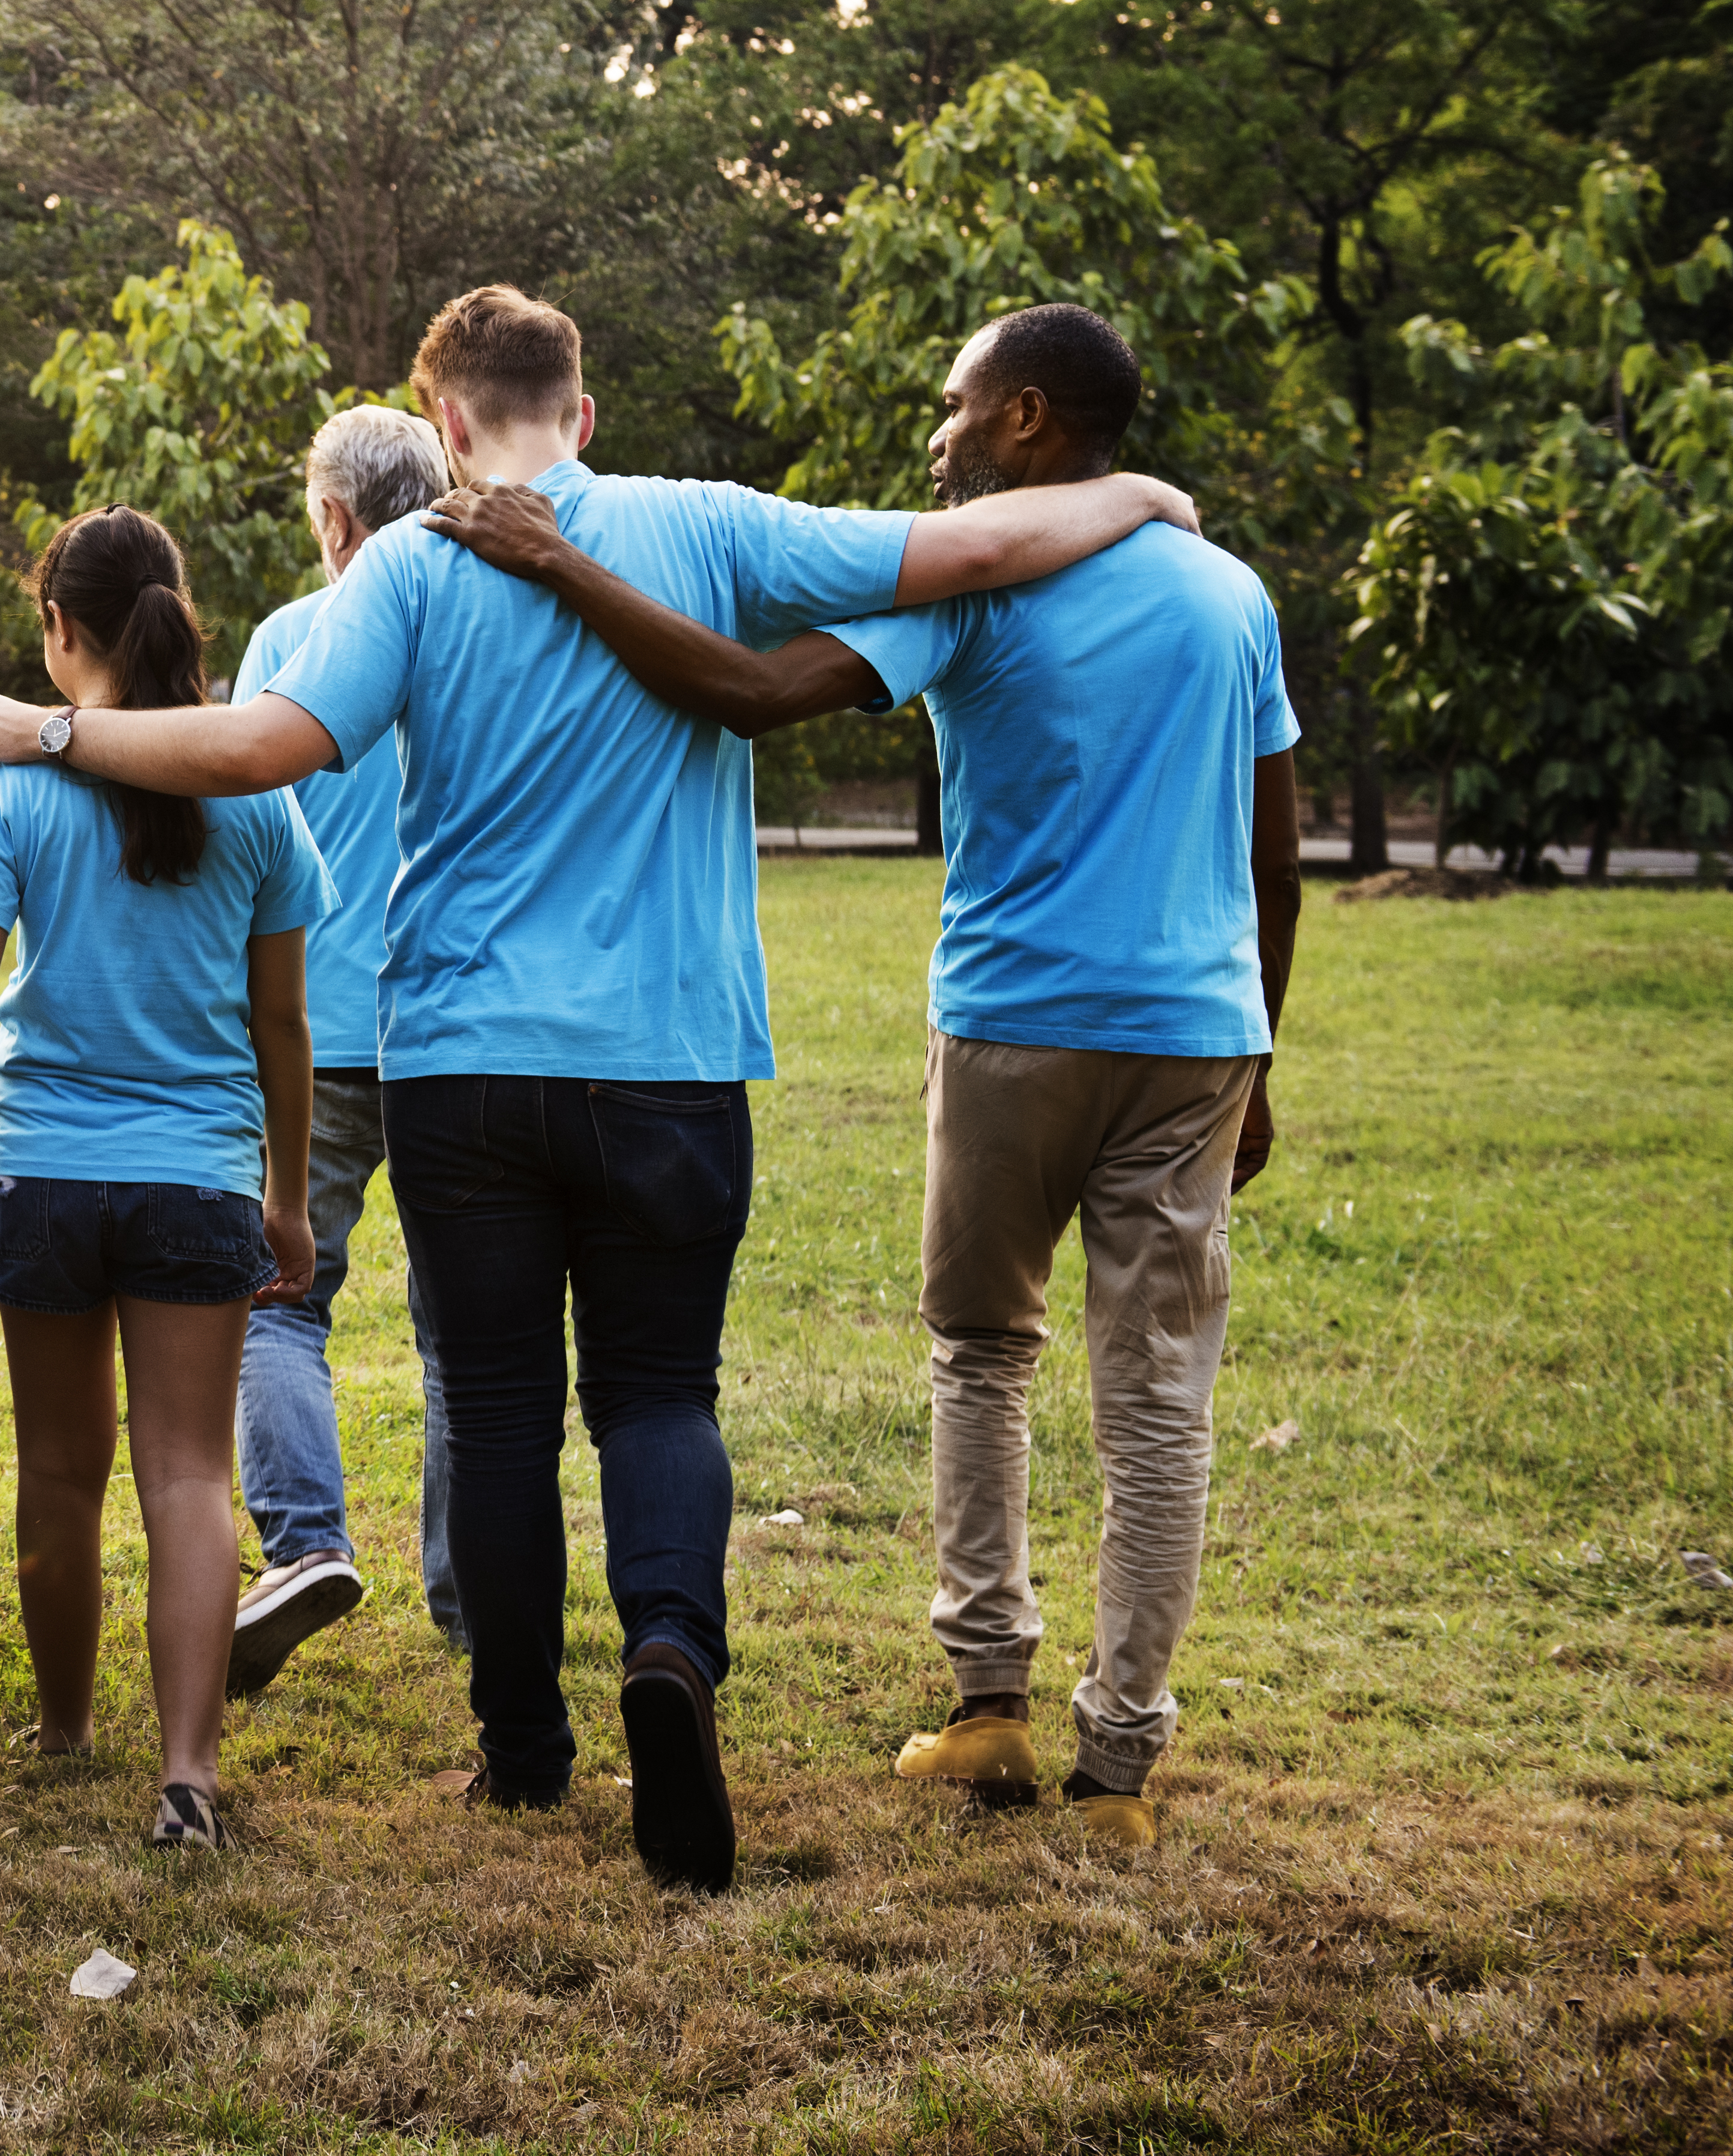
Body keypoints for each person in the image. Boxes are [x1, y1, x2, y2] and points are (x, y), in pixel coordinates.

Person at [0, 284, 1195, 1894]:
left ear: (449, 429)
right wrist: (1136, 494)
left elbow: (255, 750)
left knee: (498, 1411)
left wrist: (54, 729)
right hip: (672, 1058)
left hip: (467, 1066)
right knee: (662, 1396)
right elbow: (972, 549)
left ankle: (526, 1751)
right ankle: (672, 1654)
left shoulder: (405, 565)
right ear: (583, 415)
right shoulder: (714, 525)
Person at [420, 303, 1300, 1851]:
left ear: (1027, 417)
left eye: (958, 403)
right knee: (1157, 1398)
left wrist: (559, 561)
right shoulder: (1229, 595)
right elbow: (1274, 848)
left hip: (1015, 1022)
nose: (940, 429)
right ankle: (1118, 1767)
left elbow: (753, 695)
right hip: (1197, 1033)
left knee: (982, 1349)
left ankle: (987, 1707)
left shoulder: (979, 589)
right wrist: (1261, 1051)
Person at [0, 510, 328, 1850]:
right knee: (188, 1476)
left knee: (59, 1468)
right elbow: (283, 1025)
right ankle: (186, 1777)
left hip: (43, 1170)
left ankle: (59, 1726)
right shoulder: (254, 794)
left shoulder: (12, 785)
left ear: (59, 632)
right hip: (197, 1182)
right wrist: (286, 1196)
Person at [223, 402, 463, 1694]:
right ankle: (470, 1598)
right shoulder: (484, 625)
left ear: (331, 518)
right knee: (461, 1326)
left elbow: (245, 836)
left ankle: (306, 1543)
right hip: (447, 1027)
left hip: (309, 1029)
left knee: (278, 1300)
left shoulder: (288, 638)